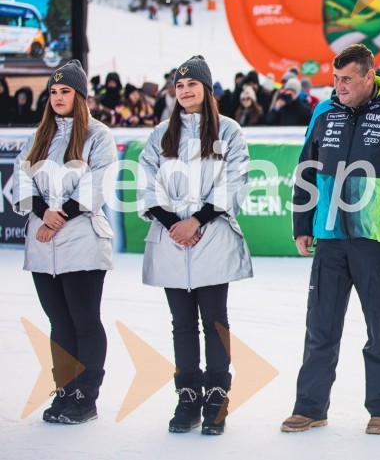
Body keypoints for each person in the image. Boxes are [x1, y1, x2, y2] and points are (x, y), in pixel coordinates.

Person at [284, 44, 380, 436]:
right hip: (330, 236)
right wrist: (302, 223)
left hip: (376, 239)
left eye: (346, 80)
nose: (338, 87)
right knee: (320, 324)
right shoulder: (324, 112)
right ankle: (310, 406)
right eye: (335, 79)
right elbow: (306, 169)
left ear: (369, 77)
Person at [138, 55, 253, 435]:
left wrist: (197, 221)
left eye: (193, 84)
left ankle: (217, 398)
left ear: (207, 89)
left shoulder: (229, 131)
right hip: (172, 241)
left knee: (215, 320)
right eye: (180, 85)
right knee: (182, 324)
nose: (185, 91)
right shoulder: (160, 135)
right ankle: (187, 397)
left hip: (211, 240)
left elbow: (234, 180)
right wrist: (175, 224)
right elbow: (147, 180)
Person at [12, 60, 117, 425]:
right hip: (43, 246)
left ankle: (85, 396)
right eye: (53, 92)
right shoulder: (37, 136)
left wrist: (61, 215)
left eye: (65, 91)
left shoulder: (97, 135)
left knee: (84, 320)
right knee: (59, 321)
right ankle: (66, 390)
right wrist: (43, 211)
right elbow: (19, 183)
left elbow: (99, 182)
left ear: (80, 96)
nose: (58, 97)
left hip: (82, 241)